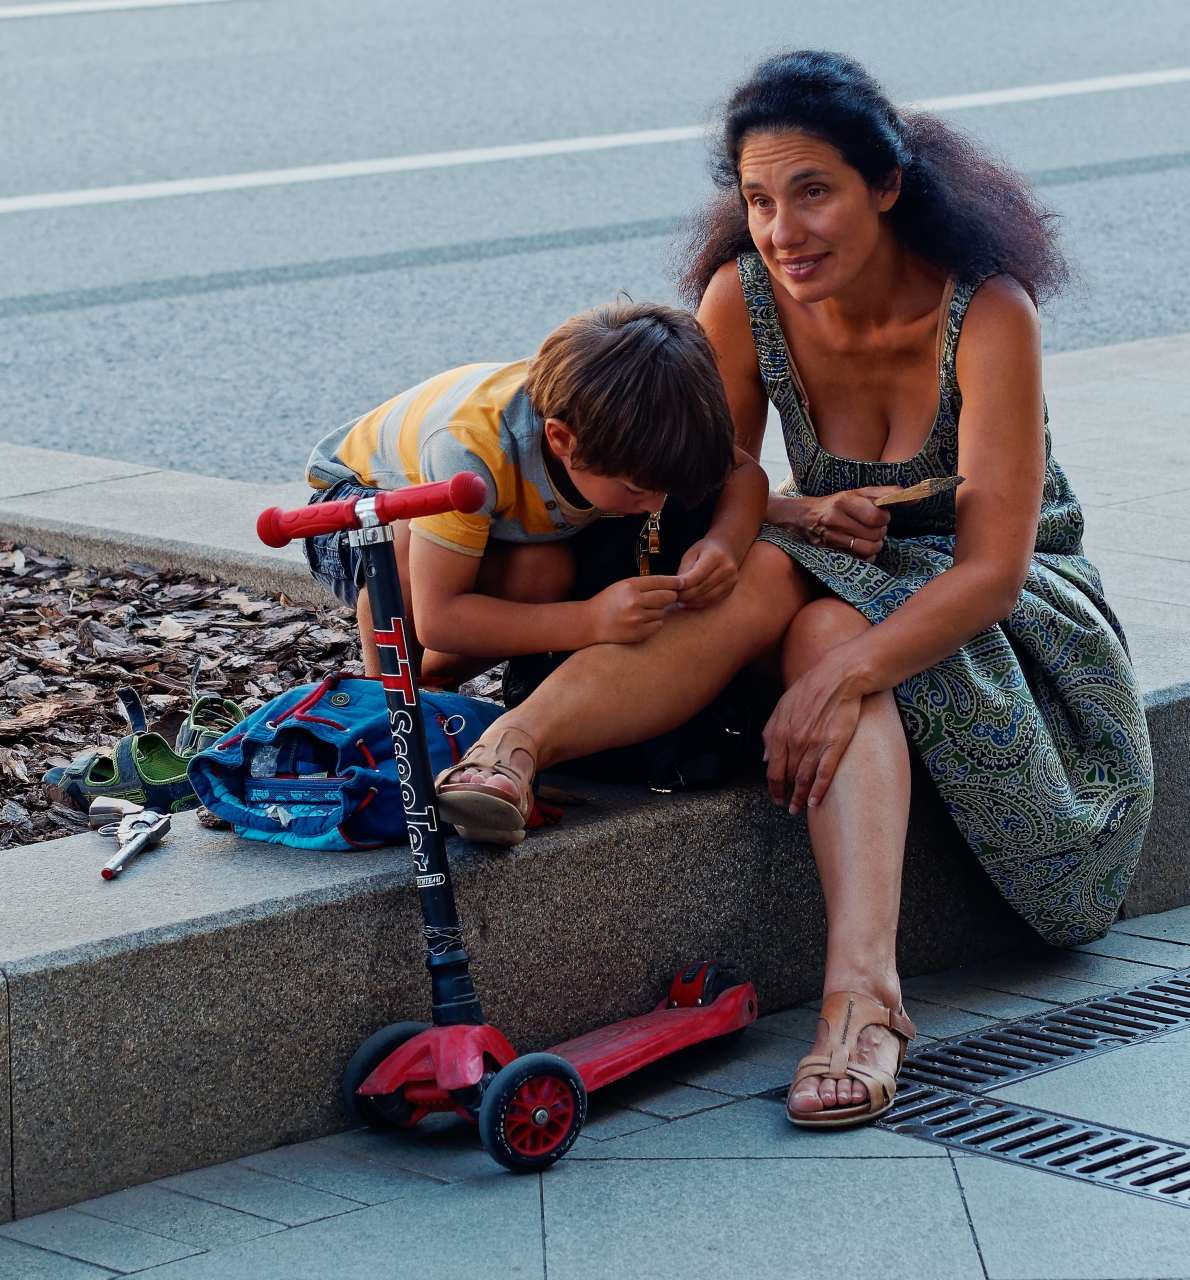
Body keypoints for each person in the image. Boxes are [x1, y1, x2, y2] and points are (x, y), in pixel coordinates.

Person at [433, 50, 1154, 1130]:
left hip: (1006, 619)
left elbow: (994, 568)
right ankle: (514, 752)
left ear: (887, 183)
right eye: (758, 199)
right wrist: (786, 509)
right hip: (830, 573)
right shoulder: (744, 294)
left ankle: (864, 996)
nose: (780, 230)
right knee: (786, 582)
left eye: (811, 192)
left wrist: (840, 674)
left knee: (823, 625)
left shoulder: (986, 309)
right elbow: (708, 475)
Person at [302, 301, 767, 684]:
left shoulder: (642, 422)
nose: (659, 505)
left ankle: (432, 686)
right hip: (352, 505)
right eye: (637, 489)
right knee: (400, 543)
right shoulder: (468, 452)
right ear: (563, 440)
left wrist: (724, 542)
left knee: (544, 571)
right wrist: (589, 621)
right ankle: (387, 702)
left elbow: (745, 476)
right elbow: (438, 618)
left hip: (490, 514)